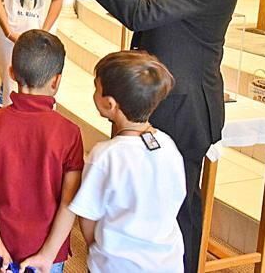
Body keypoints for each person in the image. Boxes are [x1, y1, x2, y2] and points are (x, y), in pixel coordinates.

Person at [58, 0, 240, 272]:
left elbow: (142, 11)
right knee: (167, 209)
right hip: (182, 97)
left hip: (178, 104)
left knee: (177, 218)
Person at [0, 30, 83, 273]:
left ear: (11, 72)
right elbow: (69, 199)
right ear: (56, 80)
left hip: (1, 247)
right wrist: (48, 253)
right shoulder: (70, 132)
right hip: (48, 254)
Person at [68, 51, 185, 273]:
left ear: (110, 104)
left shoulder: (105, 155)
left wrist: (97, 249)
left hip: (117, 265)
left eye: (97, 88)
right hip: (167, 263)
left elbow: (87, 214)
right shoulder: (169, 145)